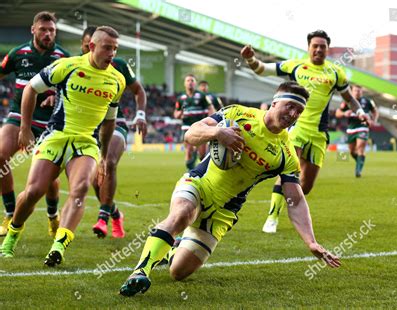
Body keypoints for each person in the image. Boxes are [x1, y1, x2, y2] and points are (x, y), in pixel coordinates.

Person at [119, 81, 340, 297]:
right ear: (274, 103)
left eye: (299, 111)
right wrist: (216, 133)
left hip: (225, 211)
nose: (293, 114)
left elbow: (296, 199)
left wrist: (311, 241)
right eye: (290, 106)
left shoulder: (287, 154)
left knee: (178, 272)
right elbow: (191, 133)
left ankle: (173, 248)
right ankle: (140, 272)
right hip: (199, 184)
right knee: (183, 214)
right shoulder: (238, 114)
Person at [0, 26, 126, 266]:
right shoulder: (67, 65)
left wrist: (102, 154)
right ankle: (13, 234)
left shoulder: (117, 80)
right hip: (56, 137)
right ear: (92, 47)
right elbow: (30, 89)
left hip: (86, 143)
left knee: (79, 189)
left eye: (115, 49)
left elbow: (109, 121)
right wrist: (25, 129)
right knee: (34, 192)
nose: (112, 53)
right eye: (107, 48)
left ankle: (58, 246)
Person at [240, 30, 368, 233]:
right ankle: (272, 218)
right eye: (315, 46)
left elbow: (349, 98)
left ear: (327, 49)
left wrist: (360, 112)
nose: (318, 49)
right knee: (289, 171)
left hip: (319, 134)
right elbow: (263, 69)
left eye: (322, 46)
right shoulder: (295, 65)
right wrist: (250, 59)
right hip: (296, 128)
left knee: (305, 186)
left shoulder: (336, 73)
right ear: (308, 47)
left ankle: (293, 211)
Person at [0, 11, 69, 237]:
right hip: (18, 116)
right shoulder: (18, 54)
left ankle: (52, 216)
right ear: (33, 30)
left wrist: (55, 96)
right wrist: (24, 129)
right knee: (0, 158)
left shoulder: (63, 57)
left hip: (49, 122)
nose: (48, 34)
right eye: (43, 29)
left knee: (49, 179)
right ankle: (11, 213)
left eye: (52, 31)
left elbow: (71, 91)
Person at [80, 26, 147, 239]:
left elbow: (139, 90)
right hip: (91, 127)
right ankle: (116, 214)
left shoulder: (117, 66)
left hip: (116, 122)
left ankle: (102, 219)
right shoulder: (76, 67)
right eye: (85, 45)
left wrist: (141, 115)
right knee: (94, 179)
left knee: (108, 162)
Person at [335, 85, 378, 177]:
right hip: (351, 128)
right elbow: (337, 113)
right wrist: (344, 113)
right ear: (352, 91)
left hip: (363, 127)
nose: (357, 92)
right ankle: (360, 161)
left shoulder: (367, 101)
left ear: (362, 91)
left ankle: (358, 171)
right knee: (351, 152)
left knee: (360, 148)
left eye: (359, 90)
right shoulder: (347, 102)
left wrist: (373, 120)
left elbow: (375, 111)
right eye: (355, 90)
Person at [174, 74, 215, 171]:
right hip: (186, 127)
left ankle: (202, 169)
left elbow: (211, 108)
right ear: (185, 83)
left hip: (200, 126)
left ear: (195, 83)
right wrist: (179, 114)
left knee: (202, 154)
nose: (190, 82)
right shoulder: (181, 98)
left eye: (192, 80)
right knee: (188, 150)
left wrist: (210, 121)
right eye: (188, 80)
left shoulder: (202, 96)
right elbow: (176, 113)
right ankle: (190, 173)